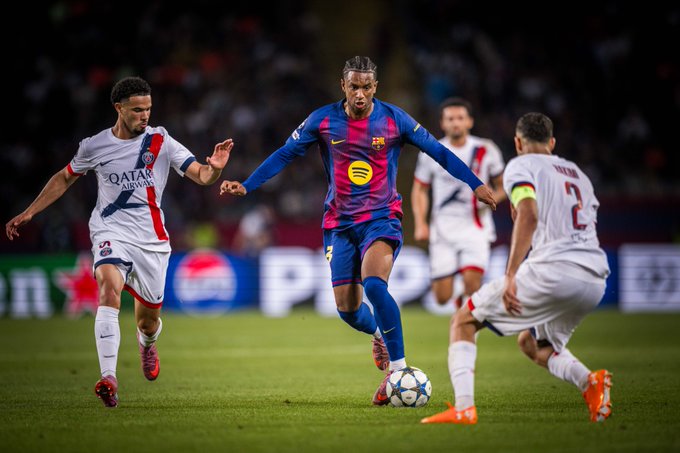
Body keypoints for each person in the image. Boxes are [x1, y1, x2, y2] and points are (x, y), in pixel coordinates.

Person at [219, 56, 496, 405]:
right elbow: (285, 154)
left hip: (382, 219)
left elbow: (438, 152)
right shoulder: (322, 120)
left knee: (375, 284)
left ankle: (399, 371)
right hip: (339, 223)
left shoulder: (396, 120)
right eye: (354, 86)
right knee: (348, 310)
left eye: (367, 87)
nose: (360, 93)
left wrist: (475, 184)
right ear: (343, 86)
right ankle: (379, 332)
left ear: (375, 87)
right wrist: (247, 185)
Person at [5, 76, 234, 408]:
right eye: (138, 110)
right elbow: (64, 177)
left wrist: (214, 169)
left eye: (149, 109)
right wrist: (29, 212)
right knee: (108, 288)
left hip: (152, 241)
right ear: (119, 108)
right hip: (110, 231)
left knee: (148, 320)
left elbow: (200, 175)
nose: (145, 116)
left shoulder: (161, 141)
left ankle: (147, 342)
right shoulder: (94, 146)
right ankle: (108, 377)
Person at [421, 112, 612, 425]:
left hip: (553, 271)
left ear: (518, 142)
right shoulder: (578, 174)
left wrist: (511, 275)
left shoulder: (521, 165)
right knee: (533, 344)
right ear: (552, 142)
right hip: (593, 278)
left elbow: (528, 214)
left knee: (464, 320)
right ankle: (591, 382)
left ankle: (464, 408)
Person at [411, 97, 506, 310]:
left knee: (472, 286)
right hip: (442, 230)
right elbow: (420, 189)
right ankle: (460, 305)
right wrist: (420, 223)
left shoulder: (486, 149)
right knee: (441, 297)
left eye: (460, 118)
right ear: (443, 123)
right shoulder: (430, 151)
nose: (456, 123)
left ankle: (464, 331)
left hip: (475, 228)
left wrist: (491, 200)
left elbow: (503, 186)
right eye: (450, 119)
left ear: (469, 122)